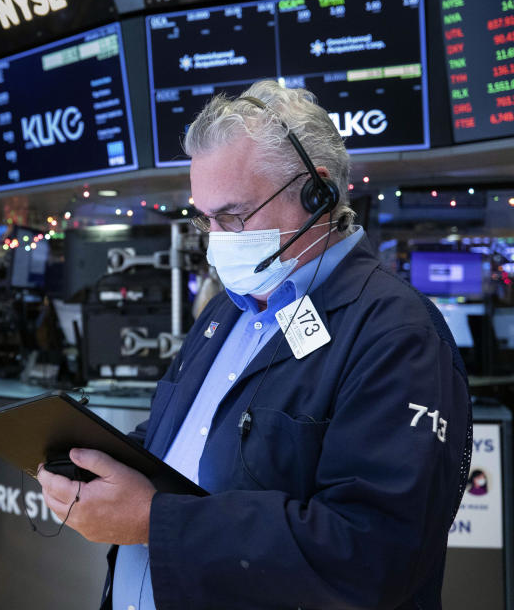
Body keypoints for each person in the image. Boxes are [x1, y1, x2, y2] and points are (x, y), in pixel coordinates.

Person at [37, 80, 472, 609]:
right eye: (205, 219)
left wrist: (156, 520)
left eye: (234, 216)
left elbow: (376, 551)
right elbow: (182, 437)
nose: (216, 239)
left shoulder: (398, 333)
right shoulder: (229, 310)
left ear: (320, 193)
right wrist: (94, 461)